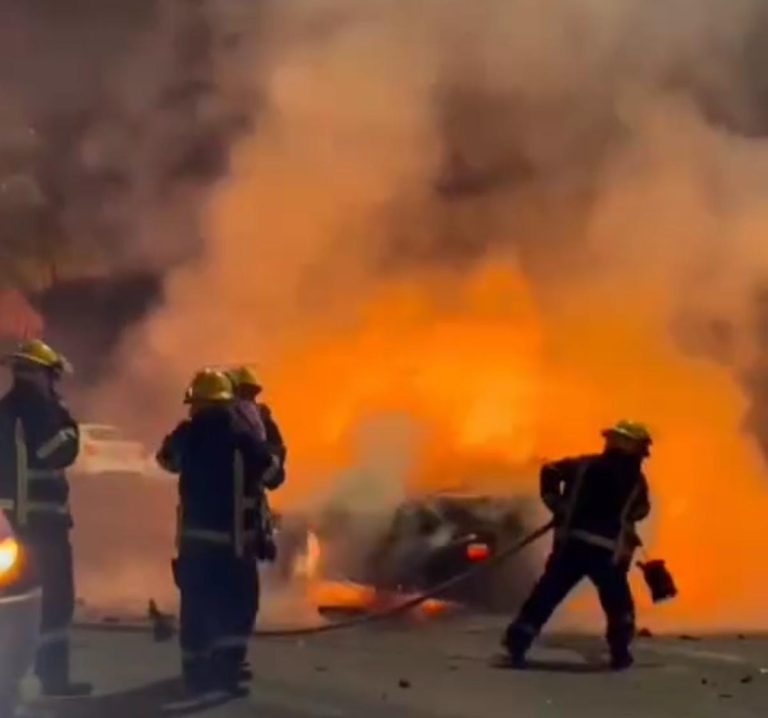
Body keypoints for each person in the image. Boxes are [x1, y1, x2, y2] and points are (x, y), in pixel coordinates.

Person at [157, 368, 273, 703]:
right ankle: (224, 675)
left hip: (194, 542)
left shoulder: (187, 435)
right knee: (236, 607)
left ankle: (195, 676)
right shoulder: (241, 434)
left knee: (196, 609)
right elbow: (271, 472)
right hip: (232, 542)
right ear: (226, 402)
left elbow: (166, 459)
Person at [503, 420, 652, 670]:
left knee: (547, 594)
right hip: (604, 552)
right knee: (617, 604)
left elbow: (549, 470)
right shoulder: (635, 480)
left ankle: (518, 643)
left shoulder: (583, 466)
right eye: (639, 446)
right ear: (627, 444)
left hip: (573, 544)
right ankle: (620, 652)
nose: (642, 452)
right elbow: (641, 510)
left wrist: (556, 502)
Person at [0, 339, 92, 697]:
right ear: (41, 374)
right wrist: (69, 424)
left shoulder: (5, 408)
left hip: (9, 525)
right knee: (53, 602)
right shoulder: (39, 407)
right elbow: (58, 451)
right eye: (53, 377)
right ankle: (53, 678)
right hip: (41, 525)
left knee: (13, 606)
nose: (55, 385)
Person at [226, 366, 287, 679]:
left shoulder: (218, 422)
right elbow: (274, 470)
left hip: (227, 524)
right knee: (238, 593)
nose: (246, 401)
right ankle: (227, 659)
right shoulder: (245, 425)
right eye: (244, 394)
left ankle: (213, 659)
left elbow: (275, 468)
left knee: (221, 593)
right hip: (238, 524)